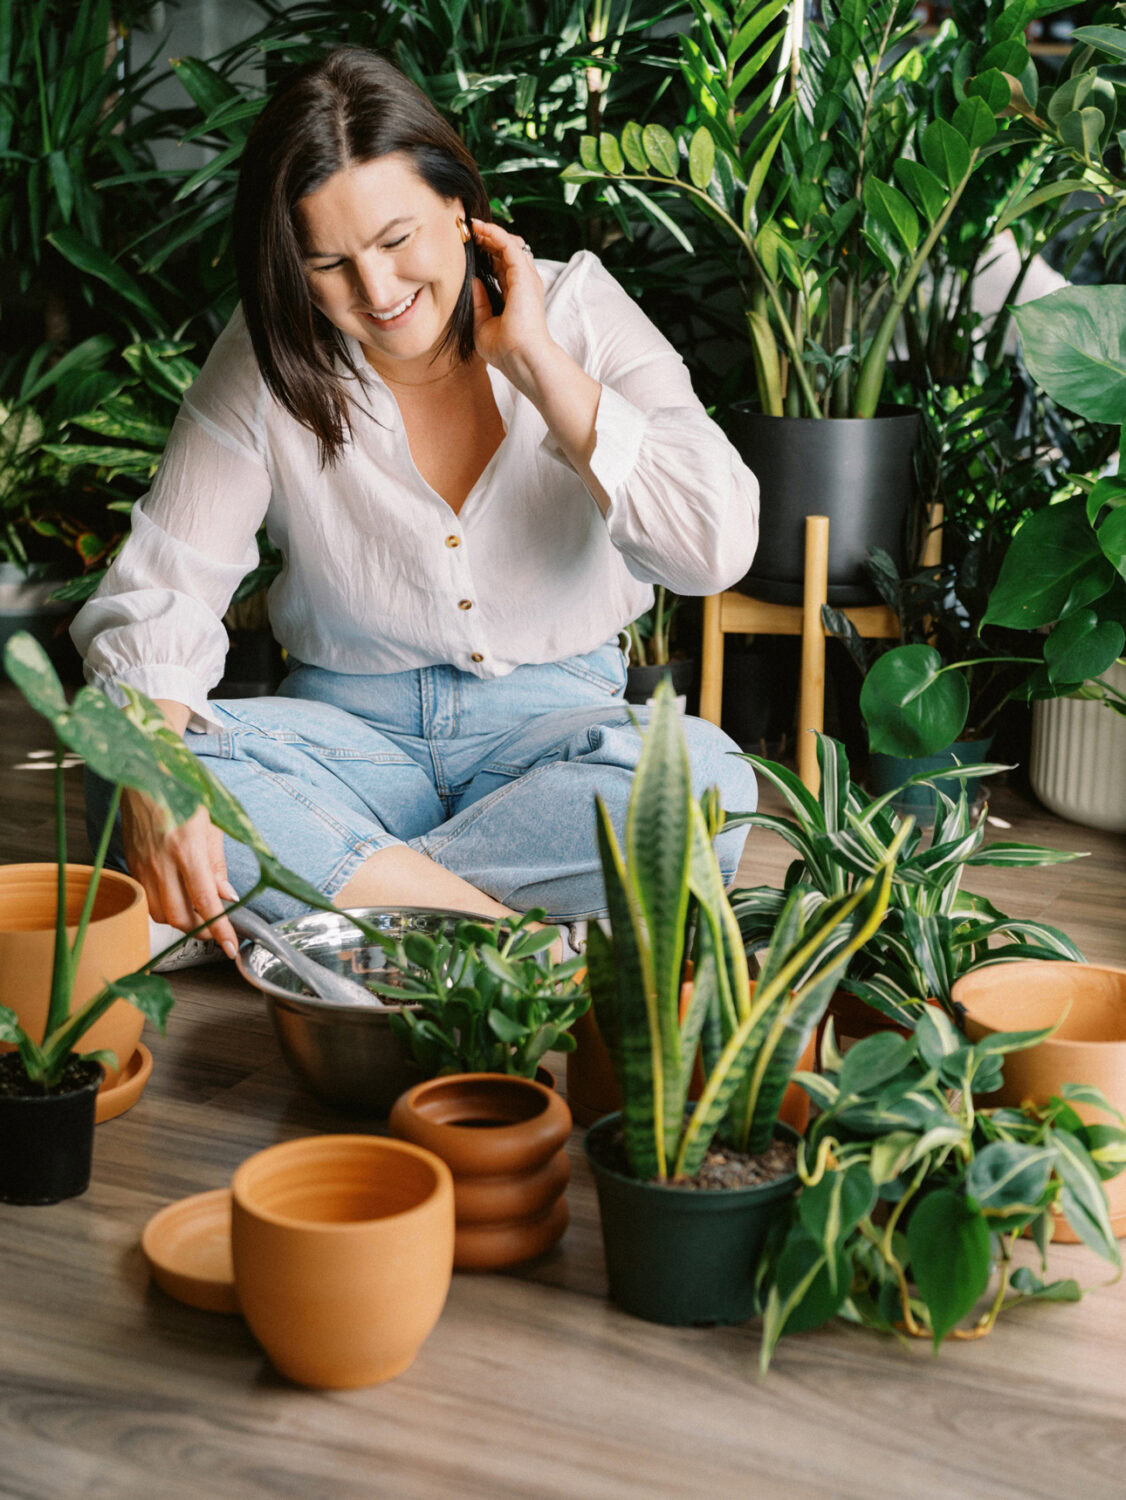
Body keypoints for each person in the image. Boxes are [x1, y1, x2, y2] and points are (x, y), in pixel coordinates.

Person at [72, 48, 760, 964]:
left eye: (397, 242)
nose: (379, 293)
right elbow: (164, 587)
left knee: (706, 787)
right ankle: (513, 947)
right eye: (330, 263)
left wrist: (541, 369)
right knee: (137, 771)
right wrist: (159, 769)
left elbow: (713, 548)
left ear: (458, 205)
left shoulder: (582, 309)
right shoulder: (269, 353)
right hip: (348, 746)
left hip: (553, 737)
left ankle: (324, 909)